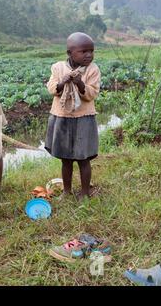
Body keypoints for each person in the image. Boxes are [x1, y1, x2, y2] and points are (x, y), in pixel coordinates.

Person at [45, 32, 101, 200]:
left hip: (84, 118)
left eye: (91, 51)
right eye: (83, 51)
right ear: (70, 53)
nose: (89, 55)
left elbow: (92, 93)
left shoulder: (92, 69)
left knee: (84, 159)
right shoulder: (58, 68)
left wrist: (79, 83)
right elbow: (52, 88)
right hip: (61, 118)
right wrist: (64, 81)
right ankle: (66, 191)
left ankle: (84, 193)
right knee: (66, 159)